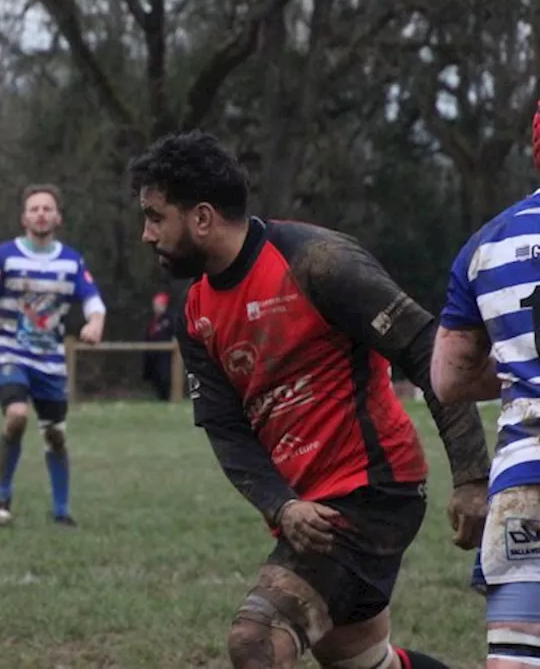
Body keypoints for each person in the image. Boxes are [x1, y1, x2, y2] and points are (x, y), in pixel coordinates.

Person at [131, 130, 491, 669]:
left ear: (201, 217)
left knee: (256, 641)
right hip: (307, 507)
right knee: (365, 664)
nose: (146, 233)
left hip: (372, 492)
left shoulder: (318, 262)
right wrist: (282, 504)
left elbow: (428, 351)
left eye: (156, 216)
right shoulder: (196, 312)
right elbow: (228, 431)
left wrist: (470, 477)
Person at [430, 107, 540, 667]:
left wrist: (518, 371)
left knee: (516, 657)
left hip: (527, 476)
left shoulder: (490, 243)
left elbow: (447, 380)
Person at [0, 184, 106, 528]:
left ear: (57, 217)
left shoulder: (71, 261)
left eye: (47, 208)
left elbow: (94, 302)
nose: (40, 213)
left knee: (55, 434)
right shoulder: (3, 256)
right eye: (34, 208)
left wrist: (95, 324)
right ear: (23, 217)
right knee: (16, 415)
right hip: (9, 350)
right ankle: (3, 499)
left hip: (51, 361)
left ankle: (61, 511)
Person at [143, 291, 174, 401]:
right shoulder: (152, 320)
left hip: (165, 356)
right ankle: (160, 398)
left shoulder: (170, 319)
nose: (156, 307)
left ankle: (167, 398)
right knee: (155, 377)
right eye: (155, 305)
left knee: (165, 376)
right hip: (153, 355)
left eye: (159, 305)